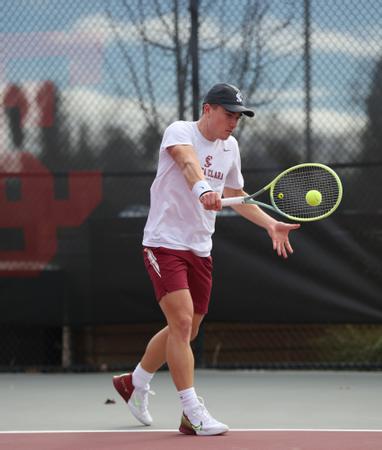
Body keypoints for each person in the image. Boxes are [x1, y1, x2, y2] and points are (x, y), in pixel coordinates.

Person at [112, 83, 300, 436]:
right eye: (228, 114)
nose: (233, 122)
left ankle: (134, 382)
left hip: (200, 248)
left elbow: (236, 195)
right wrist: (202, 190)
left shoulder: (231, 147)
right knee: (182, 323)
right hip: (164, 244)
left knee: (186, 328)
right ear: (207, 109)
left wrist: (270, 224)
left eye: (238, 117)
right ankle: (191, 412)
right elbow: (187, 163)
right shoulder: (180, 131)